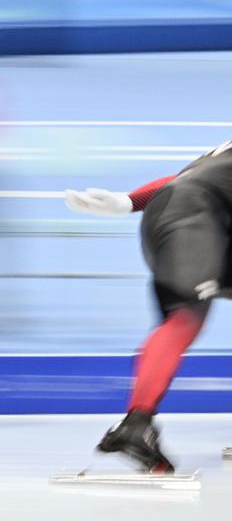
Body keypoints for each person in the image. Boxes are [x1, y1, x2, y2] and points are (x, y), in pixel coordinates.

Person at [65, 138, 232, 473]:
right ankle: (136, 425)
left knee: (183, 315)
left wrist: (128, 202)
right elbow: (195, 184)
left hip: (177, 209)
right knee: (184, 317)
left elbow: (188, 179)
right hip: (194, 215)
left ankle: (137, 423)